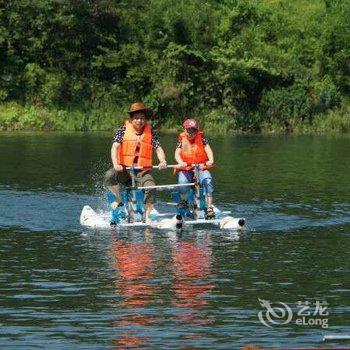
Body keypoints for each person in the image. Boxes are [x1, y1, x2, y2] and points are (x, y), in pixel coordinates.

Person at [104, 102, 167, 223]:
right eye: (136, 118)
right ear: (131, 119)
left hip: (142, 171)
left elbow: (158, 148)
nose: (139, 121)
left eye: (142, 118)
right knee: (109, 176)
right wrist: (116, 164)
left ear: (145, 119)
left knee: (151, 186)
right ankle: (118, 199)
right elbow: (114, 147)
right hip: (124, 170)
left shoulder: (151, 133)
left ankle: (147, 215)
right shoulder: (122, 130)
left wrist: (162, 161)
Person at [174, 118, 215, 219]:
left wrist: (211, 159)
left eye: (193, 131)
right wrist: (180, 162)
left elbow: (208, 149)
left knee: (207, 180)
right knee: (182, 182)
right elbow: (177, 153)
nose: (191, 133)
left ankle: (209, 207)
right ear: (184, 130)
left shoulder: (202, 138)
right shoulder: (181, 140)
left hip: (200, 167)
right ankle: (184, 201)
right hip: (186, 168)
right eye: (189, 130)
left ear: (197, 131)